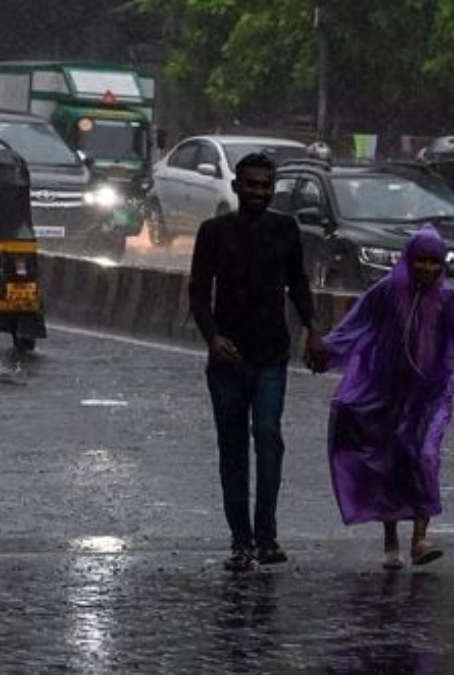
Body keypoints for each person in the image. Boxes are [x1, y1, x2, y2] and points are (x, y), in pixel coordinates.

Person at [319, 224, 454, 569]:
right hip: (387, 391)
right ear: (409, 260)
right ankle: (390, 540)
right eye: (420, 261)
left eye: (434, 262)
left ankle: (420, 538)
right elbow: (355, 326)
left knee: (424, 456)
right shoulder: (386, 293)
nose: (426, 269)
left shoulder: (449, 299)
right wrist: (324, 351)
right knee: (390, 460)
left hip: (431, 394)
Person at [188, 152, 325, 572]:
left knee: (268, 438)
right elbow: (198, 293)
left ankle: (267, 536)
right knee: (232, 450)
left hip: (271, 355)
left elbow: (297, 283)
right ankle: (240, 540)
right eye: (251, 185)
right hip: (228, 360)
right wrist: (213, 338)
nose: (258, 193)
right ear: (237, 187)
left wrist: (313, 328)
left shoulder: (285, 231)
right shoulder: (213, 232)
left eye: (266, 187)